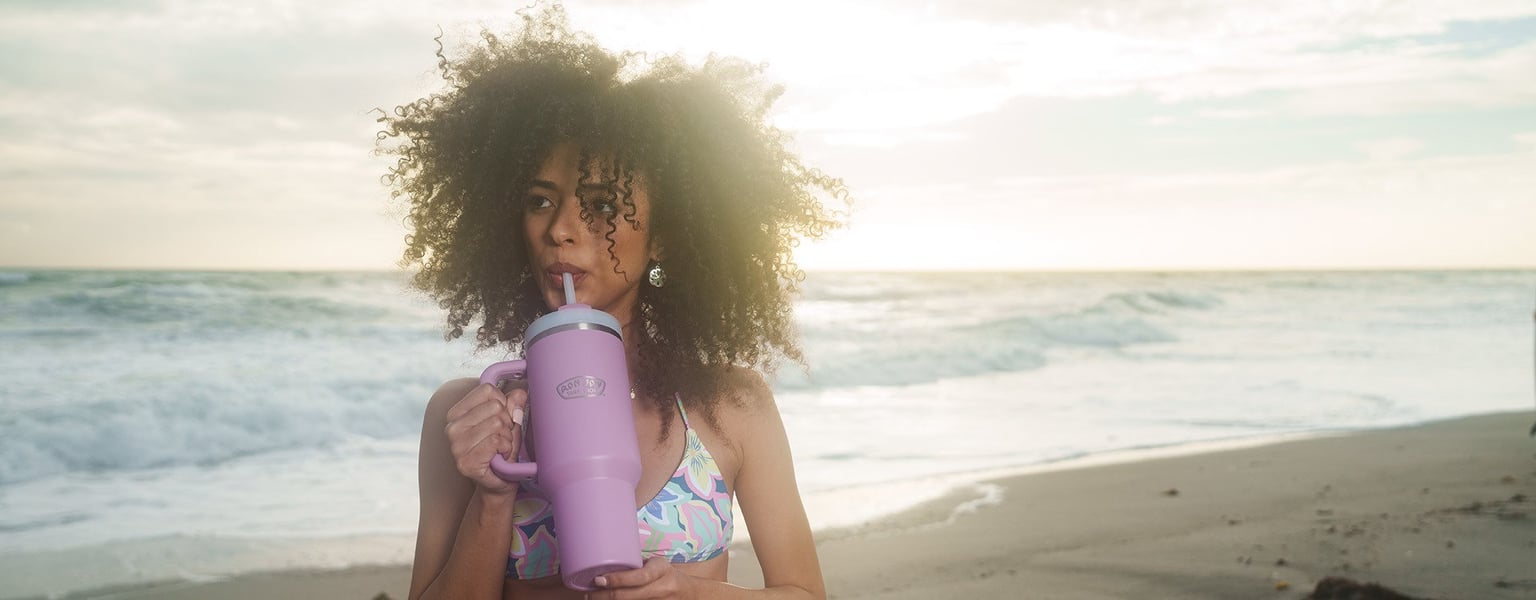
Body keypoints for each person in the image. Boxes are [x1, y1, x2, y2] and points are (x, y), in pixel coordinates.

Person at [377, 6, 846, 599]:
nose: (560, 232)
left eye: (601, 206)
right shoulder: (469, 414)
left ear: (665, 234)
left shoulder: (733, 405)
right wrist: (493, 496)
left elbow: (804, 593)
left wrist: (688, 591)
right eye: (541, 201)